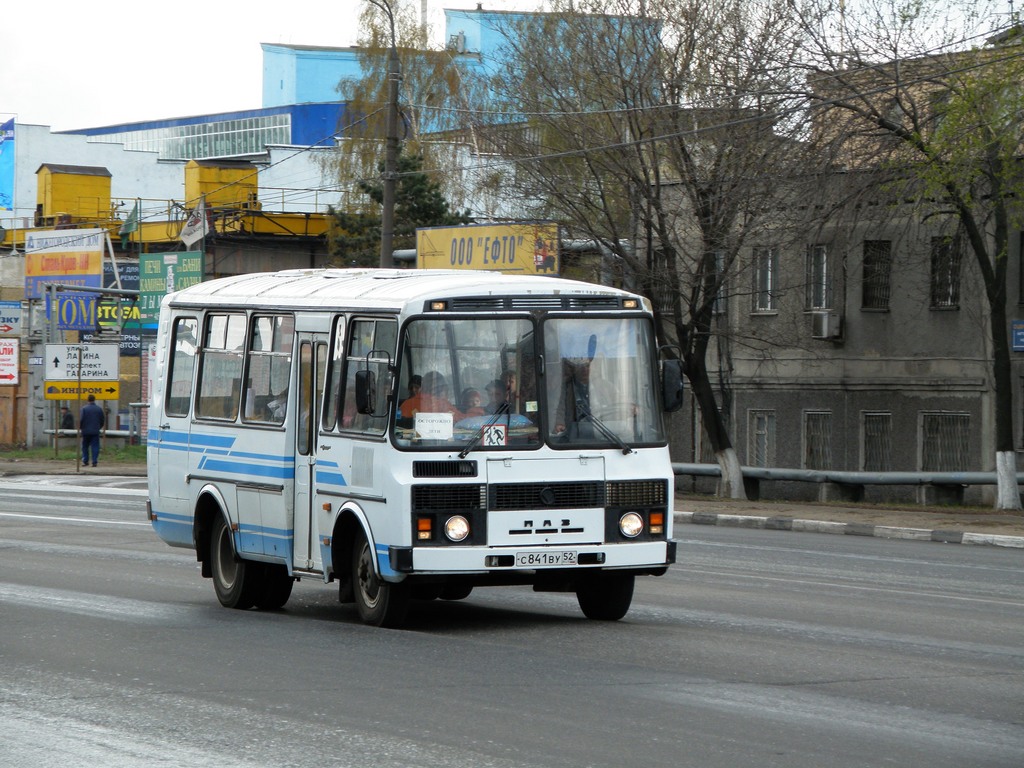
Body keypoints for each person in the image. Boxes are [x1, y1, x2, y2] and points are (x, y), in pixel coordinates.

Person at [79, 394, 105, 467]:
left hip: (86, 431)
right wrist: (98, 427)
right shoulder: (99, 409)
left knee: (85, 446)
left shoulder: (84, 409)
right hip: (95, 431)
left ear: (88, 400)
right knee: (95, 446)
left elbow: (81, 419)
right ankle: (94, 461)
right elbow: (102, 420)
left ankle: (85, 461)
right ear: (94, 400)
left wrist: (81, 428)